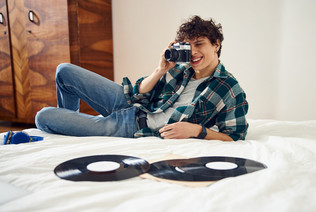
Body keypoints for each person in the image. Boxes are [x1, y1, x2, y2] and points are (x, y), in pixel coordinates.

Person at [35, 15, 248, 141]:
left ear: (216, 44)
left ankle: (70, 123)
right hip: (130, 102)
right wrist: (160, 70)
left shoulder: (229, 88)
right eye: (188, 45)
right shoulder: (180, 69)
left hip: (134, 126)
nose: (192, 52)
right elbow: (140, 92)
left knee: (43, 117)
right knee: (64, 71)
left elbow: (234, 136)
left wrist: (198, 131)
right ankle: (71, 121)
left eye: (199, 44)